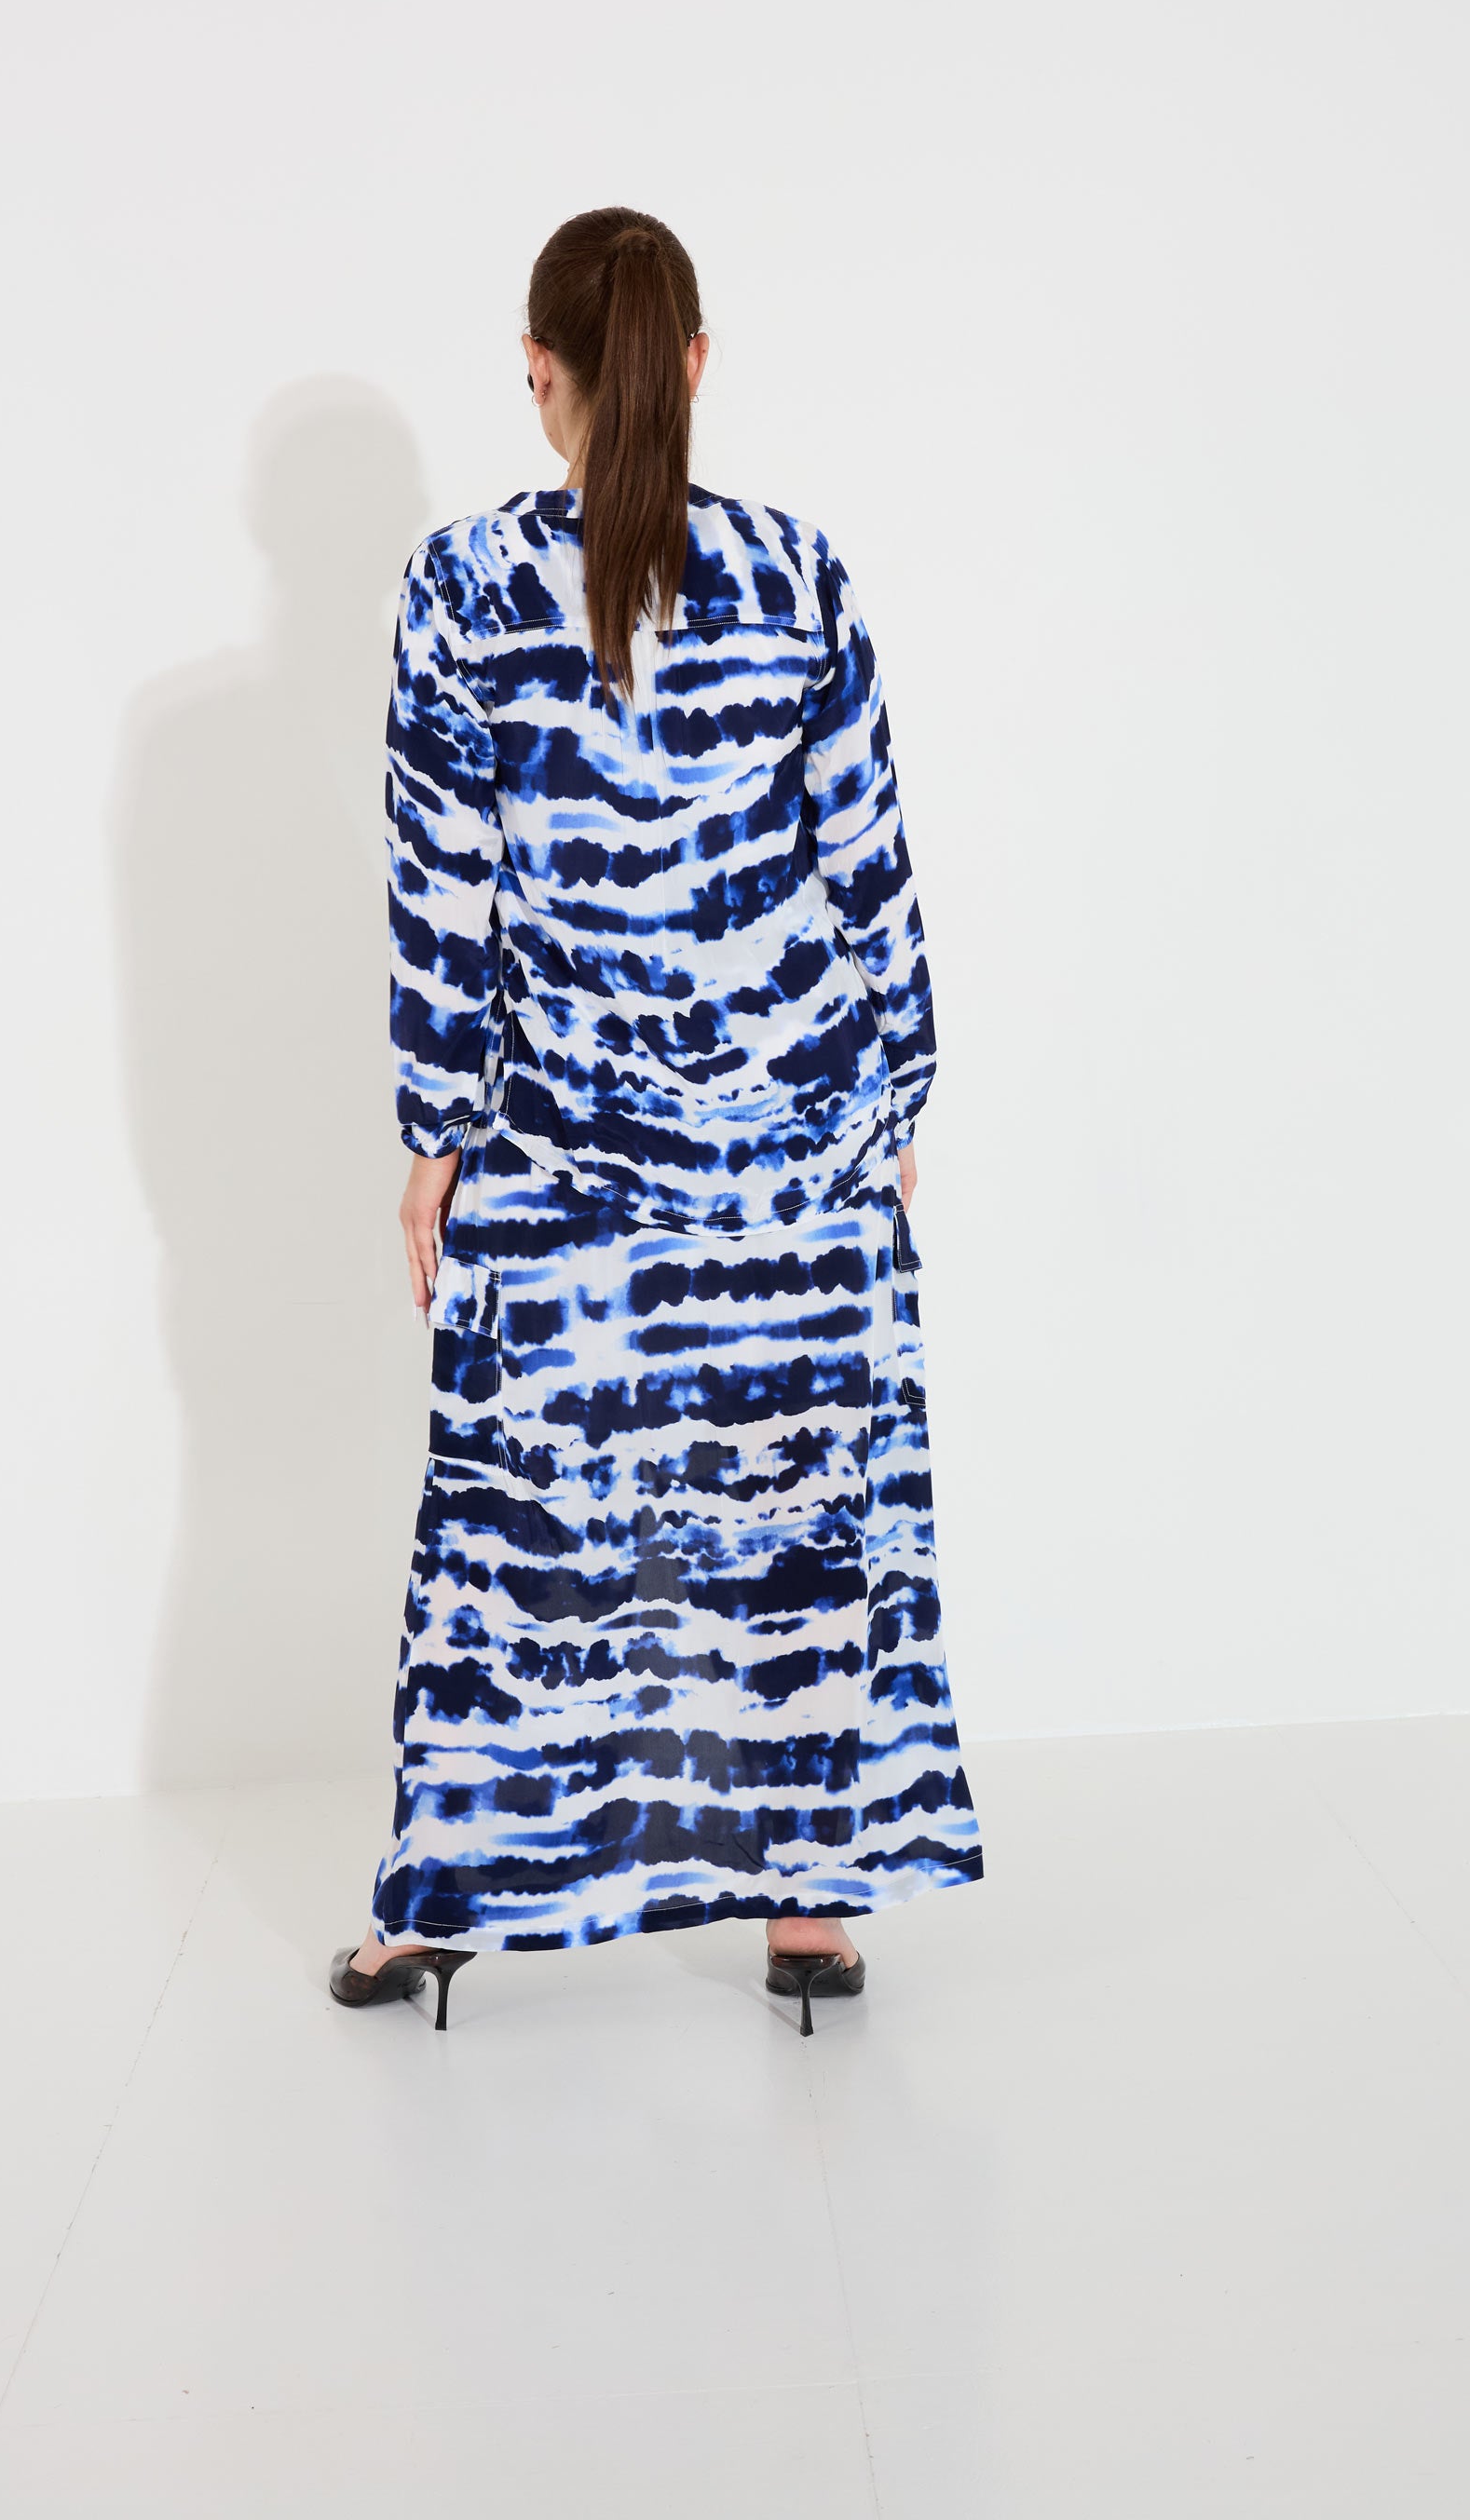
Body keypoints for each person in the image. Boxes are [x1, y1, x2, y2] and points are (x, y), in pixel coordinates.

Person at [331, 207, 983, 2036]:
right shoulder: (798, 576)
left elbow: (442, 894)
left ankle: (440, 1906)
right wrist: (895, 1094)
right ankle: (807, 1916)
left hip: (569, 1154)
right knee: (795, 1525)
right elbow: (869, 866)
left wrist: (435, 1136)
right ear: (694, 365)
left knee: (515, 1541)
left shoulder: (463, 587)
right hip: (791, 1149)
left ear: (538, 370)